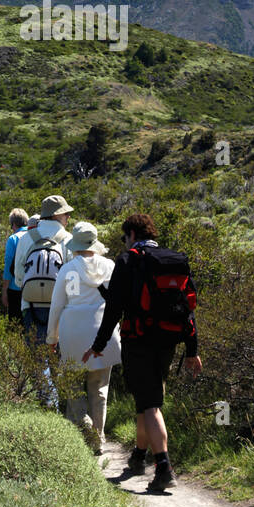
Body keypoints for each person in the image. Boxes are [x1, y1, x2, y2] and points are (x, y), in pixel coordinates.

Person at [83, 211, 202, 492]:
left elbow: (113, 309)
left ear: (132, 235)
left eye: (125, 238)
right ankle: (138, 457)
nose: (124, 242)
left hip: (138, 341)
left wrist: (98, 346)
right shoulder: (173, 260)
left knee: (150, 405)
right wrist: (192, 349)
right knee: (145, 400)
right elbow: (188, 308)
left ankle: (163, 467)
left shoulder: (129, 260)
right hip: (168, 341)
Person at [48, 221, 120, 455]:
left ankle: (81, 430)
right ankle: (97, 438)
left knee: (73, 388)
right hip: (104, 334)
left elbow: (57, 306)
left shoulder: (68, 270)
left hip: (73, 334)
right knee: (99, 389)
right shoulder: (110, 266)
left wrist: (52, 337)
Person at [13, 194, 73, 341]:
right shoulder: (68, 239)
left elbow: (18, 276)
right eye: (66, 213)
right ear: (57, 215)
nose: (68, 217)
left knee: (34, 356)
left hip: (29, 305)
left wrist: (32, 288)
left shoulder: (26, 238)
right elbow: (72, 279)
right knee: (58, 357)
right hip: (60, 306)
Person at [1, 208, 29, 322]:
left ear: (13, 224)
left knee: (16, 324)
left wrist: (4, 290)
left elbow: (8, 265)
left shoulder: (13, 239)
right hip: (33, 286)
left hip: (15, 287)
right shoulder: (35, 236)